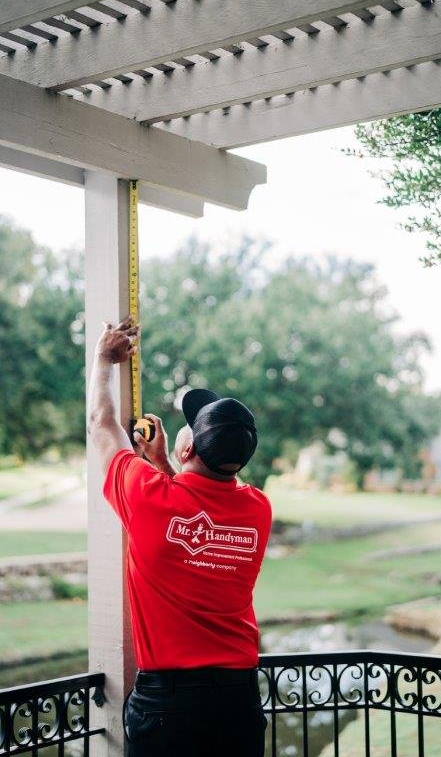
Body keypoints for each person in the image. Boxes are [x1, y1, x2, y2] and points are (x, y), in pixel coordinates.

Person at [87, 316, 272, 757]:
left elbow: (101, 423)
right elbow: (200, 514)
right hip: (237, 702)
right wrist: (163, 465)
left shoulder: (148, 496)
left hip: (168, 706)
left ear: (187, 448)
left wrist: (103, 359)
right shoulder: (258, 509)